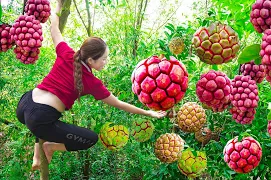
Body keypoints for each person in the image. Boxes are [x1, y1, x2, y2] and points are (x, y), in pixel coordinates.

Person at [16, 0, 166, 170]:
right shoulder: (92, 82)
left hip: (25, 104)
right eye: (103, 59)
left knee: (47, 121)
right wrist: (148, 113)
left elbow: (54, 29)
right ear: (90, 60)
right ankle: (49, 147)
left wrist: (58, 6)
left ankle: (37, 155)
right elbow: (119, 104)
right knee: (90, 139)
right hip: (39, 117)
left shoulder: (67, 53)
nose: (105, 62)